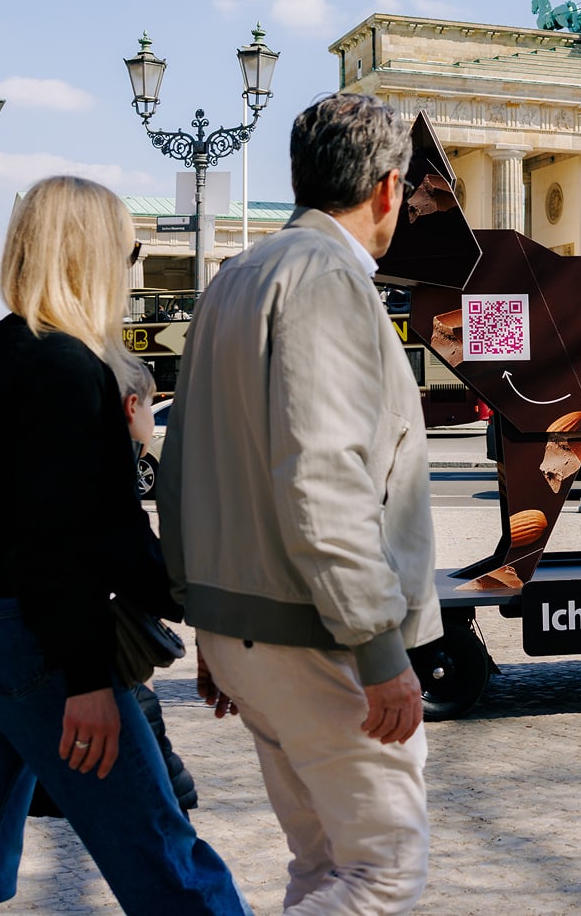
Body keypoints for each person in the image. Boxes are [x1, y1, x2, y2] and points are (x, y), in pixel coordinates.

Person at [0, 176, 249, 915]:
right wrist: (89, 679)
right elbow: (78, 537)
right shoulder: (69, 368)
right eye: (128, 249)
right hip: (40, 649)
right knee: (165, 859)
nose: (133, 265)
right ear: (90, 255)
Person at [156, 94, 440, 914]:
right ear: (388, 189)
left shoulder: (238, 277)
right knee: (382, 872)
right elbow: (324, 477)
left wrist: (208, 611)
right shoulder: (328, 282)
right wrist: (381, 648)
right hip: (322, 634)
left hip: (246, 626)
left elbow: (189, 461)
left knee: (321, 862)